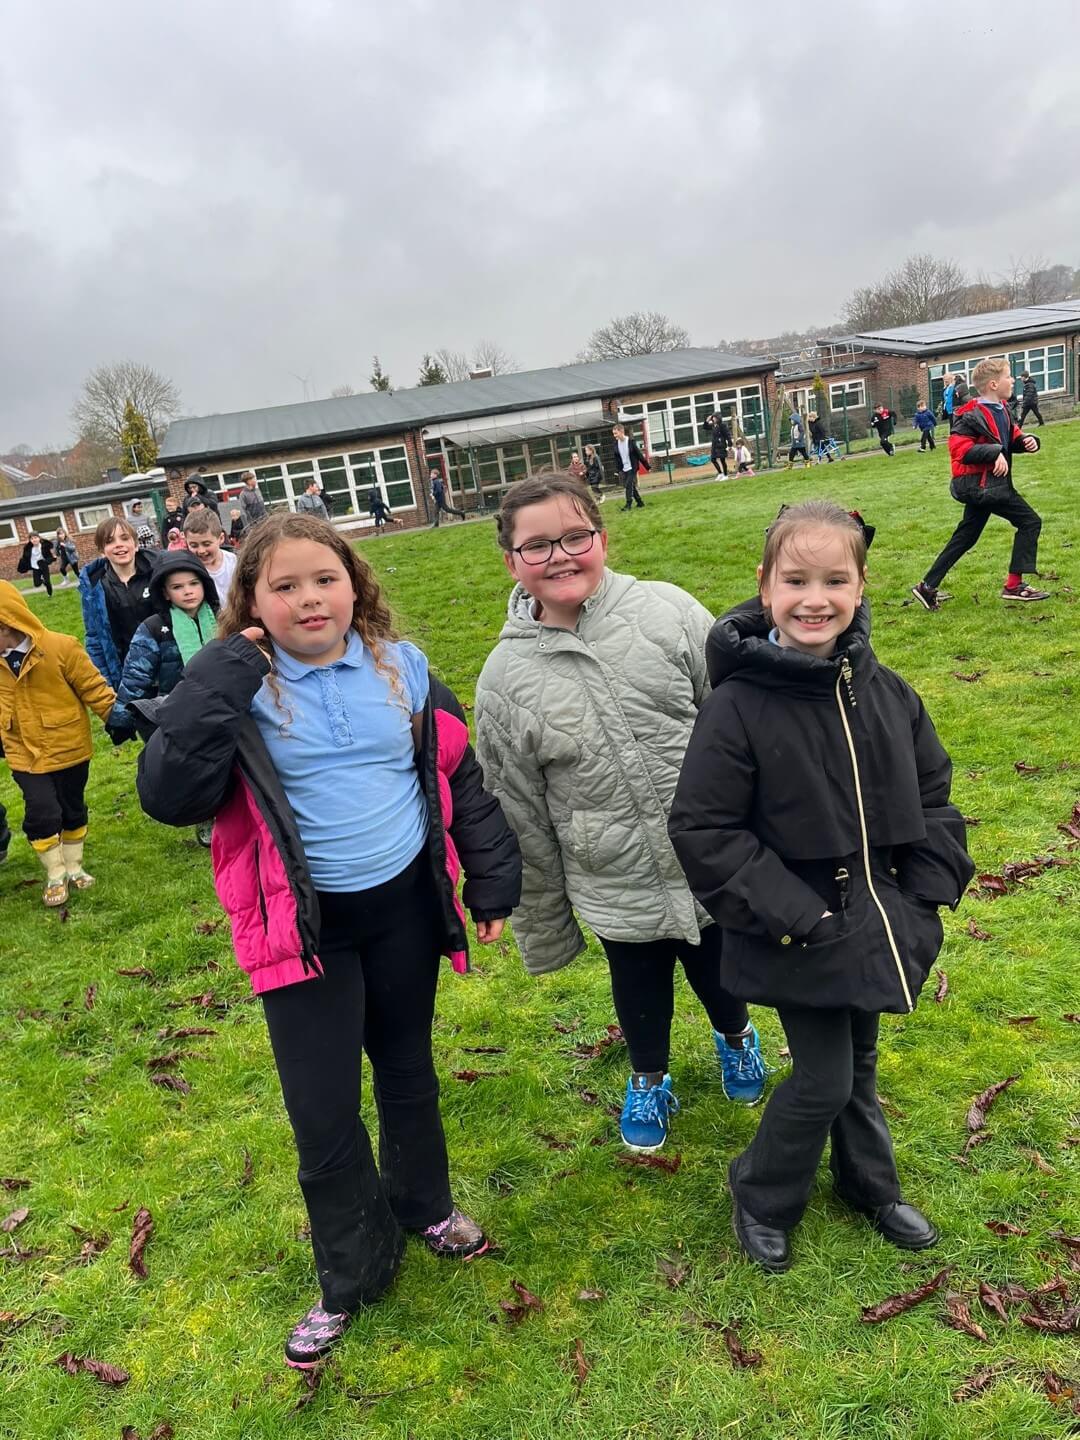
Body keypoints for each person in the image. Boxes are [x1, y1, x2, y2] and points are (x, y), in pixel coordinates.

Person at [133, 513, 521, 1369]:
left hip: (404, 909)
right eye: (285, 586)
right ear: (251, 601)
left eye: (325, 579)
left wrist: (492, 876)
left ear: (354, 586)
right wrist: (218, 676)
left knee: (408, 1069)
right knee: (324, 1108)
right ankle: (351, 1271)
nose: (309, 599)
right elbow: (169, 796)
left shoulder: (402, 665)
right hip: (303, 930)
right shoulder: (237, 683)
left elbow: (458, 772)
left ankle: (424, 1206)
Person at [668, 501, 974, 1273]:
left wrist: (923, 895)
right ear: (765, 586)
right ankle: (760, 1190)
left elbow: (934, 794)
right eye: (796, 581)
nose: (815, 599)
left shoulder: (886, 692)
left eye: (835, 581)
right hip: (797, 933)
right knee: (823, 1079)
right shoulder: (737, 707)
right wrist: (799, 915)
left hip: (879, 920)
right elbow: (705, 830)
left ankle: (869, 1186)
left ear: (861, 587)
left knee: (857, 1063)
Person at [475, 474, 767, 1155]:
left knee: (720, 968)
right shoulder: (504, 680)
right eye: (537, 545)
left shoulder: (669, 612)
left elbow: (742, 725)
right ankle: (649, 1077)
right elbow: (520, 813)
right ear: (512, 561)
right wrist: (545, 927)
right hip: (612, 876)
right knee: (638, 987)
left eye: (575, 537)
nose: (559, 556)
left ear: (602, 538)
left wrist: (763, 836)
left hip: (708, 861)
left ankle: (737, 1038)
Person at [0, 580, 116, 906]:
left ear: (7, 624)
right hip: (23, 752)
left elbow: (94, 688)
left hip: (69, 745)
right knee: (42, 812)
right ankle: (55, 871)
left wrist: (117, 718)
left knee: (71, 807)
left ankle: (74, 866)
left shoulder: (61, 647)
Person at [911, 358, 1045, 610]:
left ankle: (926, 587)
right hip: (983, 486)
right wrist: (995, 453)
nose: (1012, 380)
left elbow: (1011, 438)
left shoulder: (1002, 408)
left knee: (966, 537)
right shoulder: (969, 414)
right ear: (994, 384)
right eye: (1008, 377)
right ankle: (1014, 585)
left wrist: (1027, 441)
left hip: (990, 487)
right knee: (1030, 522)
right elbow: (960, 450)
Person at [108, 552, 221, 736]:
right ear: (165, 593)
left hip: (224, 709)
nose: (188, 591)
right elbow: (135, 677)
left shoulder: (222, 620)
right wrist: (121, 721)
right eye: (177, 587)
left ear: (205, 585)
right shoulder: (153, 628)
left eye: (194, 583)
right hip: (177, 715)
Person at [78, 517, 157, 688]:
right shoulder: (95, 588)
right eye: (110, 541)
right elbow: (94, 637)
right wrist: (105, 682)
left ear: (136, 544)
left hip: (165, 666)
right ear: (102, 551)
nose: (119, 545)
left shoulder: (157, 574)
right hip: (126, 673)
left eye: (124, 538)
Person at [183, 510, 238, 605]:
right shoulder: (188, 569)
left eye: (206, 544)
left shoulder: (234, 561)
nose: (201, 551)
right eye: (194, 545)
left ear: (221, 538)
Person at [610, 424, 647, 510]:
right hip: (624, 468)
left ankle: (628, 504)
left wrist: (647, 466)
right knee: (631, 486)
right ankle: (640, 502)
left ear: (621, 432)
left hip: (632, 467)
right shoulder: (616, 444)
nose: (614, 435)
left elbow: (639, 454)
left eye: (616, 433)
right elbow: (617, 458)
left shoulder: (630, 442)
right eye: (613, 434)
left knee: (628, 485)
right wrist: (617, 470)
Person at [17, 532, 56, 597]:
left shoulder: (44, 546)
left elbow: (50, 556)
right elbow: (25, 558)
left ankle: (50, 594)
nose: (34, 540)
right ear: (30, 540)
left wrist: (52, 558)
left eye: (35, 538)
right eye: (32, 539)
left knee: (47, 582)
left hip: (43, 565)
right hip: (35, 566)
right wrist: (22, 566)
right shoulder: (28, 548)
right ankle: (43, 580)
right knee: (37, 584)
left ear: (39, 538)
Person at [706, 413, 732, 478]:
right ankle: (720, 473)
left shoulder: (722, 425)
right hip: (714, 445)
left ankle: (725, 475)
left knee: (722, 460)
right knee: (713, 459)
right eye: (713, 417)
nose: (713, 418)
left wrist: (729, 445)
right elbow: (705, 427)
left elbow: (728, 435)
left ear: (718, 418)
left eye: (714, 417)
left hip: (721, 445)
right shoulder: (713, 425)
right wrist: (707, 420)